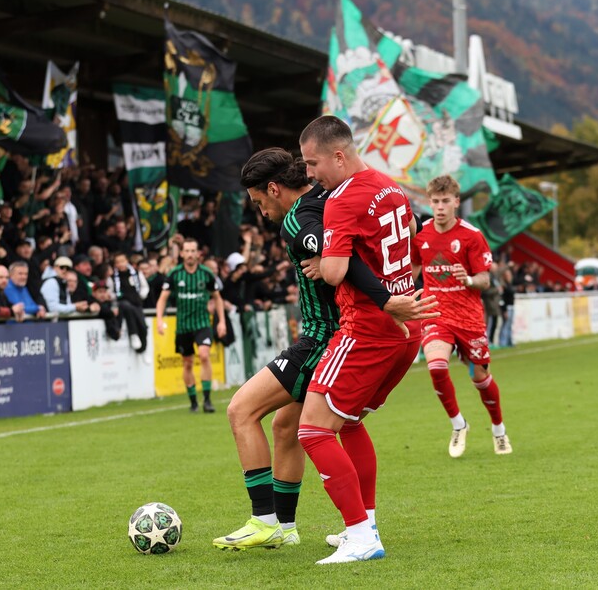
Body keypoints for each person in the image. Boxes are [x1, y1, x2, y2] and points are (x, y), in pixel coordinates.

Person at [213, 147, 437, 552]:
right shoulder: (334, 194)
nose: (260, 211)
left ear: (274, 189)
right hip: (353, 331)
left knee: (241, 410)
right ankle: (288, 527)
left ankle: (264, 520)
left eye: (259, 201)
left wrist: (353, 276)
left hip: (326, 336)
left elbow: (336, 254)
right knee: (289, 426)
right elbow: (406, 225)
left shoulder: (298, 218)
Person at [297, 116, 435, 565]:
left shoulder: (341, 200)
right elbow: (408, 243)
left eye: (313, 163)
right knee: (350, 423)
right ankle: (365, 524)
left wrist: (323, 259)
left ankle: (361, 536)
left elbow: (335, 271)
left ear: (338, 156)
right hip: (404, 330)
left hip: (366, 330)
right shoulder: (390, 187)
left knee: (313, 429)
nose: (310, 174)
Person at [410, 174, 512, 458]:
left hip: (469, 318)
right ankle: (458, 424)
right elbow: (413, 271)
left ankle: (498, 429)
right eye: (435, 201)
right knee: (436, 367)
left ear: (456, 202)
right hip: (436, 313)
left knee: (480, 378)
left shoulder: (472, 236)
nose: (440, 207)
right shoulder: (421, 235)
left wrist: (467, 279)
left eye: (445, 201)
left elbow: (485, 280)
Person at [156, 238, 226, 413]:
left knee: (204, 355)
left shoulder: (206, 274)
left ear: (198, 254)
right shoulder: (174, 274)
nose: (190, 254)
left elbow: (217, 298)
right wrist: (159, 319)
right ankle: (193, 401)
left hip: (202, 323)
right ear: (181, 254)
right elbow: (162, 299)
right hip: (183, 326)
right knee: (187, 363)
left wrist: (222, 322)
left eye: (193, 251)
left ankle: (207, 400)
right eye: (186, 251)